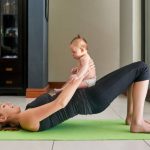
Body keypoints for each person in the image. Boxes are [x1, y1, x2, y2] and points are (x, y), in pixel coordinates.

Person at [0, 61, 150, 133]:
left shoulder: (28, 111)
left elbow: (58, 97)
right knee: (142, 68)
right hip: (92, 99)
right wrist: (81, 74)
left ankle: (132, 117)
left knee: (135, 73)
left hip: (88, 95)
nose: (6, 103)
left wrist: (72, 78)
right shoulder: (26, 120)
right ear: (2, 118)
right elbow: (61, 103)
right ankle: (136, 123)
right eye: (3, 106)